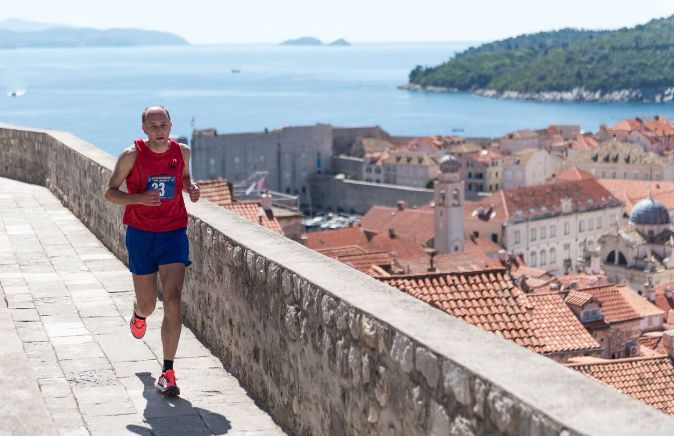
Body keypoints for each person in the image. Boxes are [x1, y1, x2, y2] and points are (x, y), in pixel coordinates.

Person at [104, 105, 200, 396]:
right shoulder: (131, 156)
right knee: (148, 304)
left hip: (173, 233)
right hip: (142, 235)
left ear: (171, 125)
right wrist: (139, 198)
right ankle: (138, 313)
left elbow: (183, 178)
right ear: (144, 129)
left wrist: (191, 187)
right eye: (153, 125)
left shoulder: (181, 152)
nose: (159, 130)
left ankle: (167, 372)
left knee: (173, 301)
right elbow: (110, 192)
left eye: (163, 124)